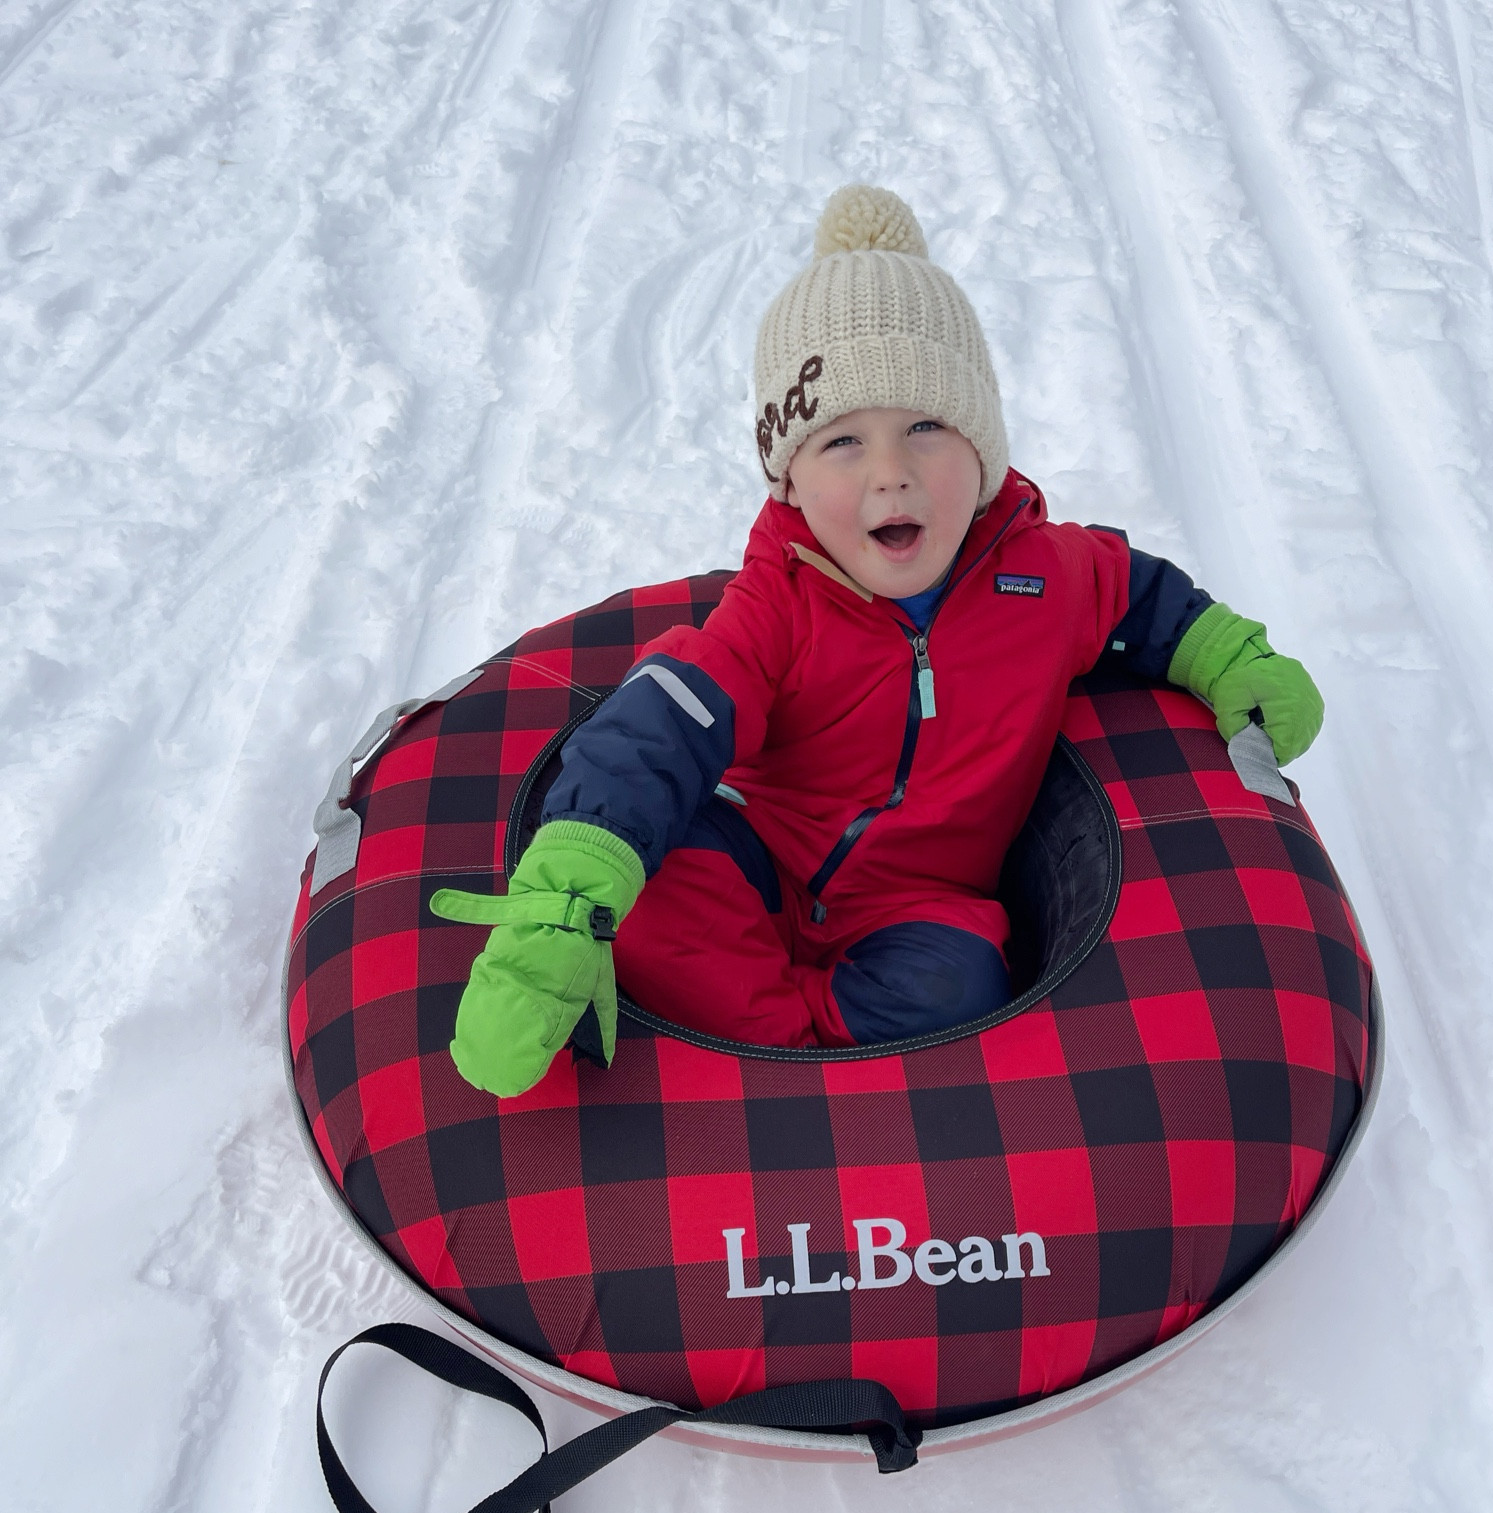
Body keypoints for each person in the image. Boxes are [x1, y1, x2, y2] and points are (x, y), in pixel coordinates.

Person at [429, 186, 1323, 1098]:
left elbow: (1146, 596)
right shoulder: (779, 599)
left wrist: (1229, 656)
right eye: (843, 441)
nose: (891, 473)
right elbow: (667, 719)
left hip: (917, 904)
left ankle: (773, 1052)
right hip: (759, 861)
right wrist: (569, 894)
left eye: (927, 427)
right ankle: (800, 1050)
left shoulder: (1047, 577)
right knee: (658, 903)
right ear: (790, 481)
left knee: (964, 982)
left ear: (983, 447)